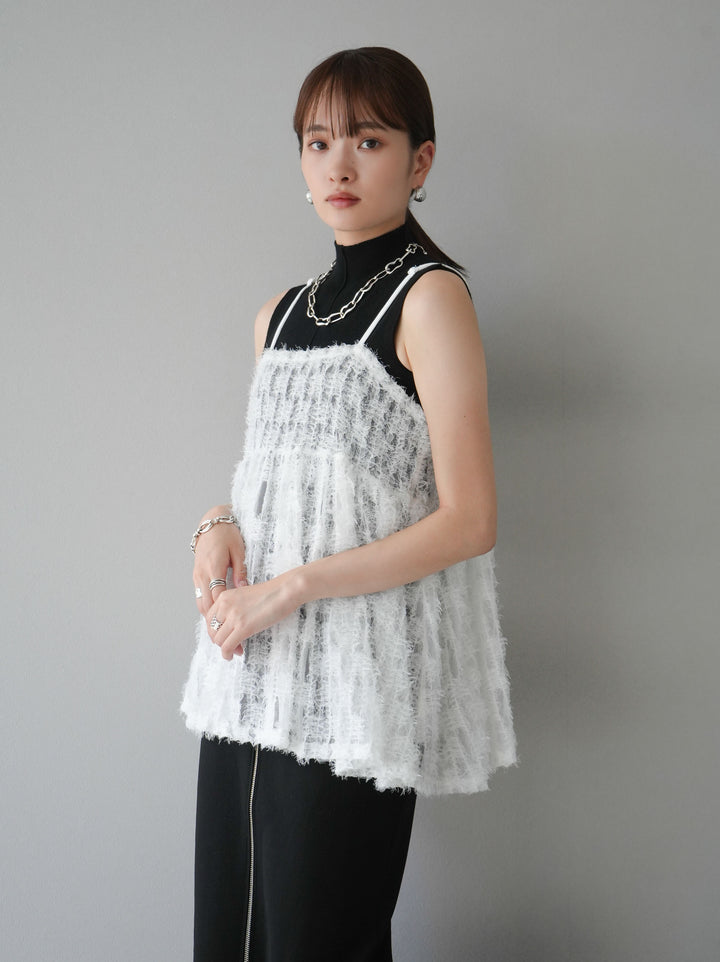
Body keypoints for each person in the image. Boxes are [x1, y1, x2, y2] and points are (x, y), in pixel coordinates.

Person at [181, 46, 516, 962]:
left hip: (355, 695)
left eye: (368, 140)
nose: (339, 164)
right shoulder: (277, 316)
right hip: (249, 681)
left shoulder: (430, 299)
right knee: (228, 938)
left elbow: (470, 519)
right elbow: (284, 484)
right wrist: (216, 524)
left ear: (419, 159)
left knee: (320, 942)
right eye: (318, 141)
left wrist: (289, 589)